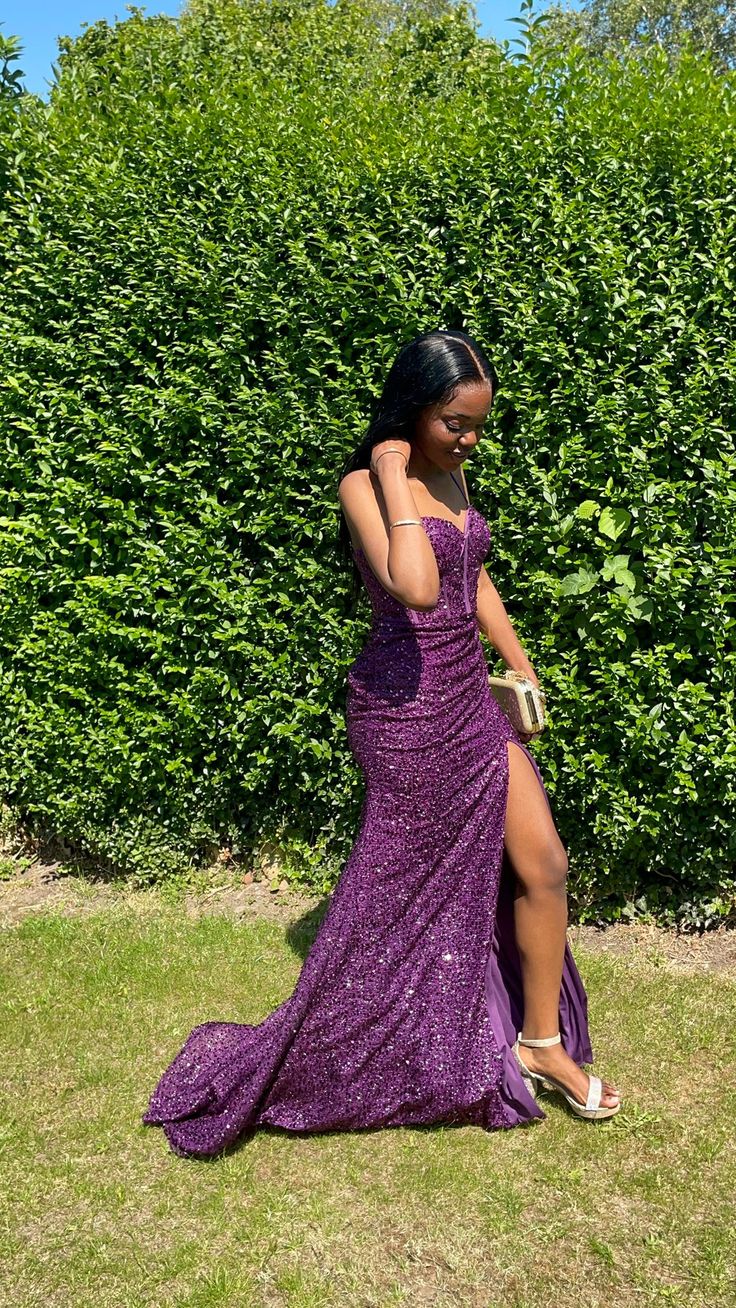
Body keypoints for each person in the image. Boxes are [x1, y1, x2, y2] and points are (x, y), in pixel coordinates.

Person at [142, 328, 622, 1159]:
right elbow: (418, 584)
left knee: (543, 862)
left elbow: (470, 571)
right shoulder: (364, 485)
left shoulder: (453, 471)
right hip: (403, 713)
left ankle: (540, 1043)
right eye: (454, 424)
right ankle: (358, 1034)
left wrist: (518, 663)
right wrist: (395, 476)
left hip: (468, 696)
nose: (468, 441)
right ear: (413, 409)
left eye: (477, 426)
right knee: (396, 894)